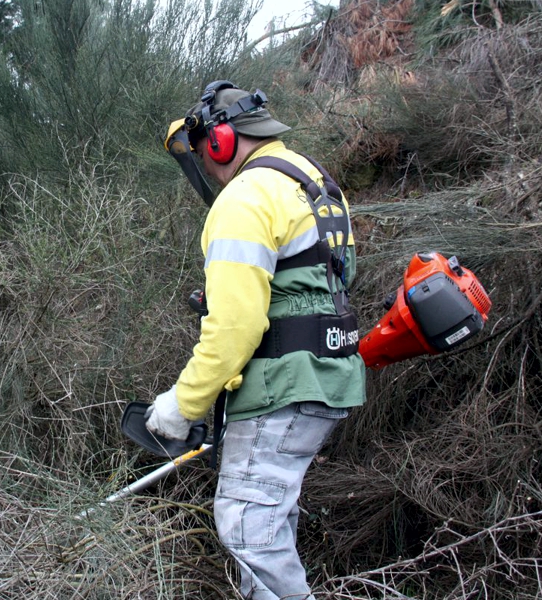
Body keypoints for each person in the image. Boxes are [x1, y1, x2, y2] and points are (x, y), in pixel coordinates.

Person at [146, 80, 366, 600]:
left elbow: (235, 328)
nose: (206, 166)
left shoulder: (245, 196)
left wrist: (182, 405)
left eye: (203, 153)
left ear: (220, 141)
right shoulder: (315, 183)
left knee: (248, 527)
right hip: (326, 380)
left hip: (281, 387)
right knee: (268, 519)